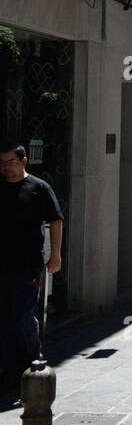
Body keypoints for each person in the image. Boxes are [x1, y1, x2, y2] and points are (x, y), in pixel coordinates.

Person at [0, 142, 63, 402]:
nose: (6, 168)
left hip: (27, 265)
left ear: (24, 161)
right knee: (4, 317)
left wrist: (55, 255)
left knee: (23, 315)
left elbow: (56, 220)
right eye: (2, 163)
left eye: (11, 162)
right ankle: (9, 369)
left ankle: (32, 364)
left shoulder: (38, 188)